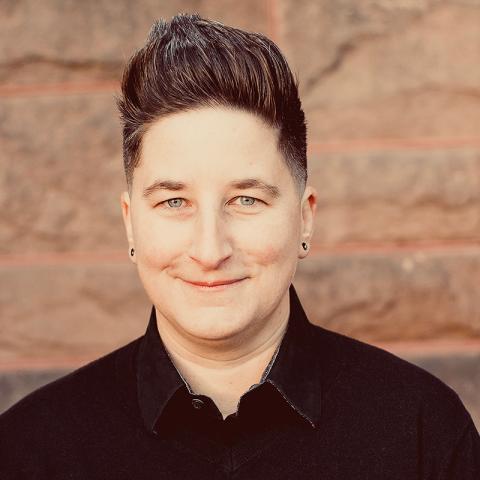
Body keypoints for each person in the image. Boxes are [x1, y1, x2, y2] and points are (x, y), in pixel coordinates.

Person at [0, 12, 479, 479]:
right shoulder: (29, 450)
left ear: (305, 215)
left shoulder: (421, 430)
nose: (210, 250)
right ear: (130, 223)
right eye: (173, 201)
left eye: (246, 199)